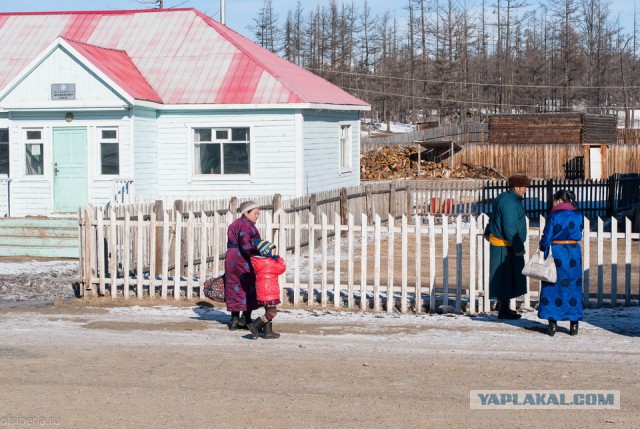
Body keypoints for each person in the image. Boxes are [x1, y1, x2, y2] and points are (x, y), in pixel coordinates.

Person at [538, 190, 583, 336]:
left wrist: (542, 246)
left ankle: (552, 324)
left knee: (553, 285)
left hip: (557, 252)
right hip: (574, 253)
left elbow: (547, 235)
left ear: (559, 201)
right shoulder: (578, 215)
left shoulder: (555, 215)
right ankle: (574, 324)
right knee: (572, 286)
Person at [485, 173, 530, 319]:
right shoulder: (510, 202)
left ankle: (504, 306)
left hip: (505, 244)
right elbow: (509, 226)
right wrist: (518, 246)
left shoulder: (505, 198)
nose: (525, 190)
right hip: (506, 245)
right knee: (505, 276)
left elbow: (494, 217)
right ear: (516, 187)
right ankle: (503, 310)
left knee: (506, 276)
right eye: (523, 187)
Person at [224, 200, 261, 330]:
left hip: (231, 258)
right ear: (246, 213)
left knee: (234, 286)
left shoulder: (234, 224)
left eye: (258, 214)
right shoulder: (246, 225)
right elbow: (246, 245)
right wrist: (259, 251)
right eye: (255, 213)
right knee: (247, 287)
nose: (257, 216)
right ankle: (245, 319)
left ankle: (234, 320)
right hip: (242, 259)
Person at [247, 240, 287, 339]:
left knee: (268, 311)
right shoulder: (269, 262)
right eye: (273, 251)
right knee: (272, 312)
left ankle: (268, 332)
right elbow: (281, 268)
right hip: (269, 291)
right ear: (267, 252)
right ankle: (255, 325)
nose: (275, 252)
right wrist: (279, 259)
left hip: (263, 290)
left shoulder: (259, 261)